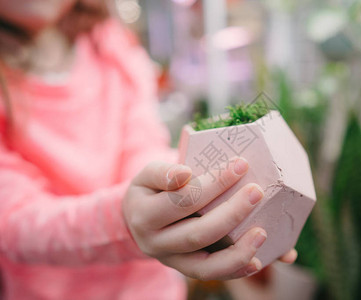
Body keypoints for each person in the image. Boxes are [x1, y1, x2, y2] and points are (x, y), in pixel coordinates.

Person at [0, 1, 297, 299]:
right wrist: (126, 219)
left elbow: (142, 145)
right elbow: (14, 221)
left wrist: (179, 188)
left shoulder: (108, 40)